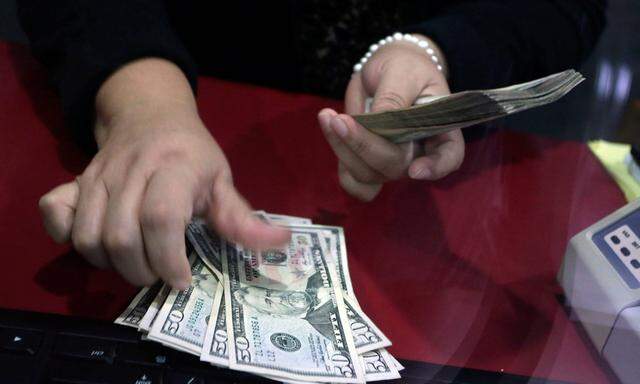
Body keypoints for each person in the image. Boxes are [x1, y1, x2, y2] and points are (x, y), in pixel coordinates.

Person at [17, 1, 606, 290]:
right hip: (195, 85)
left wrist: (429, 54)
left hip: (431, 204)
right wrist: (145, 104)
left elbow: (566, 8)